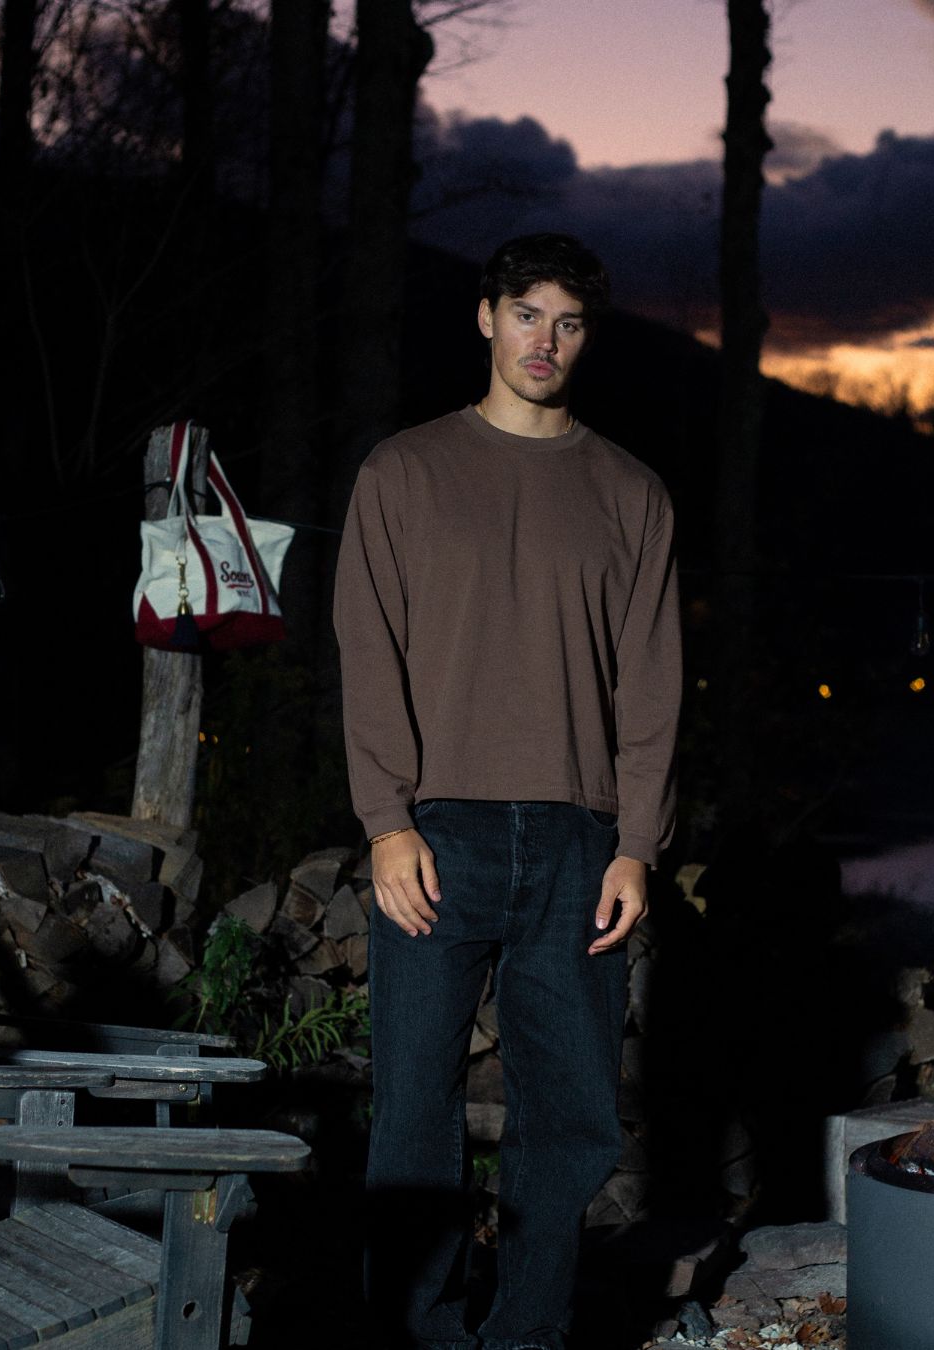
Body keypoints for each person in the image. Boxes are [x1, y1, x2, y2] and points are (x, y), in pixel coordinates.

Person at [334, 232, 682, 1350]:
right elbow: (368, 652)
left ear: (588, 337)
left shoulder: (631, 493)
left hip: (581, 843)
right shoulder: (404, 472)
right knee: (413, 1108)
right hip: (438, 833)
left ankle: (529, 1332)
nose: (547, 341)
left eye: (569, 323)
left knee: (569, 1115)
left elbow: (653, 682)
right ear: (487, 317)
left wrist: (638, 843)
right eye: (528, 314)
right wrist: (386, 822)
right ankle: (420, 1334)